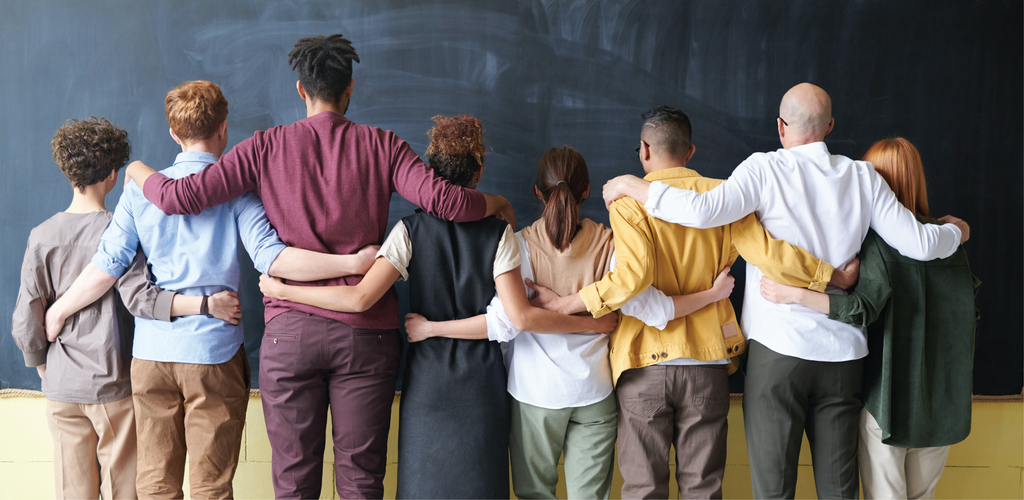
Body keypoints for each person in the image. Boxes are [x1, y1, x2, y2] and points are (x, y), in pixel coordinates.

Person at [123, 35, 516, 499]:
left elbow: (178, 198)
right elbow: (449, 203)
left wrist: (137, 171)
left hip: (290, 336)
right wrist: (500, 202)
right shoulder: (383, 146)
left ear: (300, 90)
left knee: (293, 482)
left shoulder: (264, 147)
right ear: (350, 89)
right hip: (366, 336)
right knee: (361, 481)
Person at [601, 85, 969, 499]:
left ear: (780, 126)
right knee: (838, 489)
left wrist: (634, 185)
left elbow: (701, 212)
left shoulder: (762, 170)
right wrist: (957, 230)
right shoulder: (862, 177)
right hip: (843, 356)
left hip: (777, 354)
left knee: (774, 489)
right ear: (830, 126)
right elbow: (920, 244)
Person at [44, 81, 376, 499]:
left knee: (155, 485)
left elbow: (105, 269)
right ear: (223, 128)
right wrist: (354, 263)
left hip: (151, 356)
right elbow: (273, 258)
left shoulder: (138, 193)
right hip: (213, 355)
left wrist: (58, 312)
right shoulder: (237, 192)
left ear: (172, 133)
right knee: (211, 487)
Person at [259, 116, 616, 499]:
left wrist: (285, 291)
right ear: (479, 174)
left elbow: (359, 298)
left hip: (428, 382)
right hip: (482, 383)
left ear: (428, 172)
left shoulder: (408, 232)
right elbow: (515, 319)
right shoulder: (501, 235)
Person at [529, 106, 854, 499]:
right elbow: (771, 255)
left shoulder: (628, 204)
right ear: (691, 150)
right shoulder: (726, 196)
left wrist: (567, 304)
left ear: (645, 150)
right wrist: (830, 276)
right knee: (703, 489)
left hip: (644, 363)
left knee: (644, 488)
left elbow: (632, 279)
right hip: (708, 360)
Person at [403, 144, 738, 500]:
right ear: (587, 191)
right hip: (595, 391)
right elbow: (639, 308)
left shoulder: (519, 245)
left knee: (535, 494)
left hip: (534, 394)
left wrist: (432, 328)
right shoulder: (610, 242)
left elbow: (507, 322)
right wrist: (590, 320)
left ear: (537, 191)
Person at [11, 117, 239, 500]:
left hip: (61, 387)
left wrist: (46, 368)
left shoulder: (41, 235)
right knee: (125, 491)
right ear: (114, 175)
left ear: (68, 172)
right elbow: (140, 297)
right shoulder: (120, 228)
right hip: (113, 385)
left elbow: (25, 318)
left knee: (72, 491)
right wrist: (203, 305)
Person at [759, 137, 979, 500]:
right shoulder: (950, 246)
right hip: (943, 403)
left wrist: (797, 294)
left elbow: (861, 308)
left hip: (888, 402)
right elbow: (969, 317)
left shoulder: (876, 244)